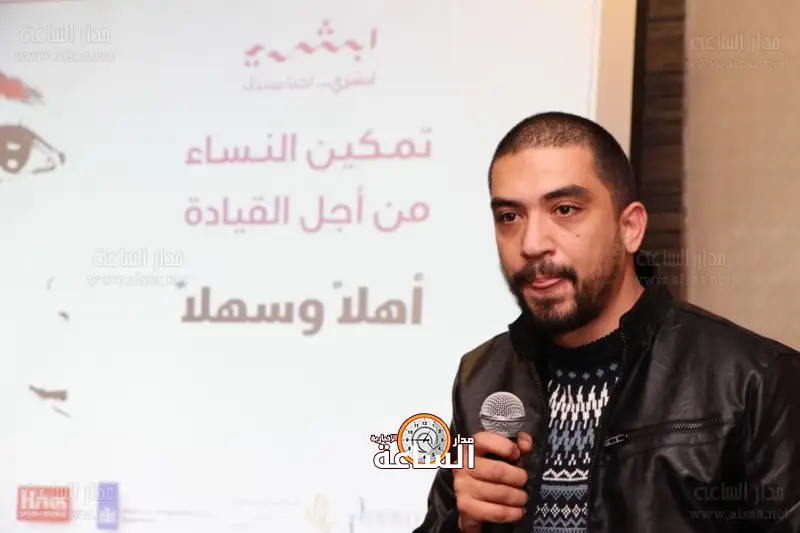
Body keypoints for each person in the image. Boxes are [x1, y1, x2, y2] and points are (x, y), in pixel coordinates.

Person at [413, 112, 800, 533]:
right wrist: (461, 525)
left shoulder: (755, 380)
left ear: (630, 227)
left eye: (564, 209)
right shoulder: (482, 378)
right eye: (510, 216)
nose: (531, 243)